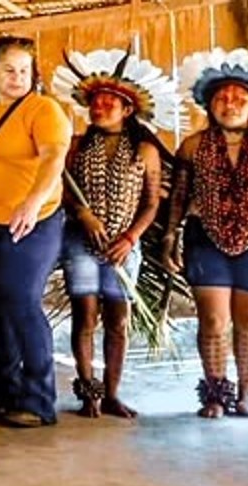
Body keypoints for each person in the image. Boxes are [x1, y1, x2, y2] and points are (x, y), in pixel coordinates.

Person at [163, 48, 248, 419]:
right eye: (222, 97)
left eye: (239, 98)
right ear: (209, 105)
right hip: (205, 239)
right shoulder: (192, 146)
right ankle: (215, 393)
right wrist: (170, 239)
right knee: (213, 320)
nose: (230, 103)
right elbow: (177, 199)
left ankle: (247, 393)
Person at [52, 48, 176, 418]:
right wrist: (82, 214)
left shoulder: (144, 149)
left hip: (124, 245)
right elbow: (63, 191)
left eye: (110, 102)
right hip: (82, 242)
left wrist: (130, 238)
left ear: (127, 110)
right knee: (85, 315)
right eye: (95, 102)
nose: (100, 106)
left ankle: (112, 393)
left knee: (118, 321)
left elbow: (152, 203)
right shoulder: (76, 146)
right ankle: (88, 390)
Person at [0, 35, 72, 428]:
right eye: (9, 69)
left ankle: (39, 399)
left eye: (25, 70)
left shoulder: (43, 109)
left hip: (32, 222)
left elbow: (54, 156)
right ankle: (3, 393)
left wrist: (32, 201)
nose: (17, 77)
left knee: (22, 301)